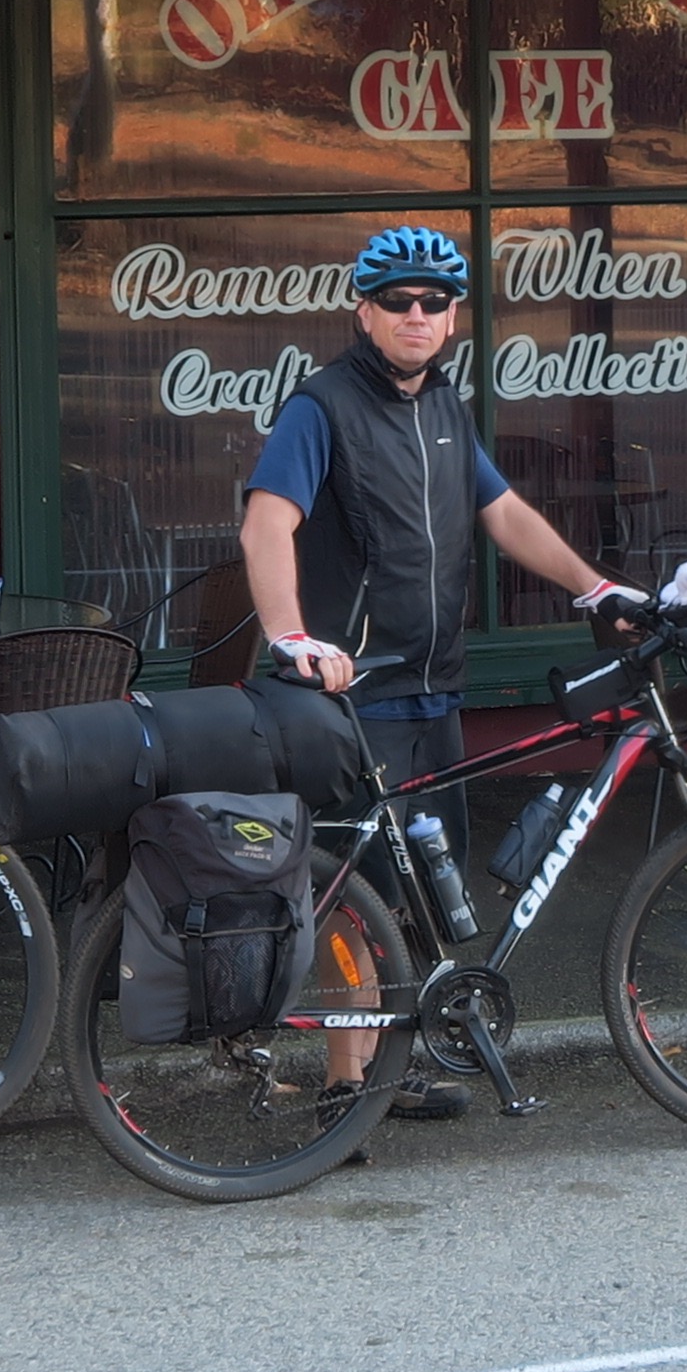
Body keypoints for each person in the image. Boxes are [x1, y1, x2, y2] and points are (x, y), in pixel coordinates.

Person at [240, 225, 650, 1107]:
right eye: (397, 301)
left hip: (435, 690)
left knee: (430, 886)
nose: (416, 315)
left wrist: (593, 588)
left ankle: (396, 1060)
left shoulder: (442, 409)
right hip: (355, 698)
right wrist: (291, 638)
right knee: (364, 899)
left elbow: (503, 513)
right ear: (364, 311)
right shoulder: (323, 408)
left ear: (455, 315)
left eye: (434, 301)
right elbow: (266, 522)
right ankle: (347, 1084)